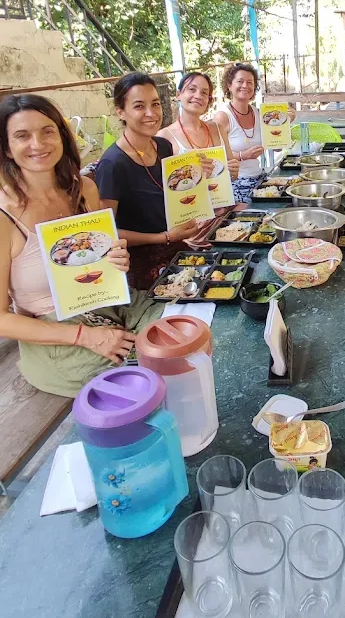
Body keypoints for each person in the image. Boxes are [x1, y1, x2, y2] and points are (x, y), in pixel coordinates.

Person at [0, 93, 164, 397]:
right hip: (57, 334)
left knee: (187, 337)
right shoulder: (4, 216)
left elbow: (99, 256)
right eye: (22, 136)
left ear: (62, 137)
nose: (38, 144)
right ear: (8, 149)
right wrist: (85, 336)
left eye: (47, 131)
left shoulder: (84, 189)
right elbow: (2, 320)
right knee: (144, 388)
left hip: (112, 303)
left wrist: (116, 259)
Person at [95, 72, 210, 290]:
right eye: (139, 106)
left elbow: (171, 194)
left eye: (155, 104)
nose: (151, 113)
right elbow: (107, 233)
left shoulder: (162, 146)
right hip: (139, 263)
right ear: (121, 111)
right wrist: (164, 237)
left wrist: (199, 172)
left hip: (175, 248)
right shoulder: (112, 164)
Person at [158, 70, 239, 180]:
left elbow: (231, 177)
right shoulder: (163, 137)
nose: (198, 96)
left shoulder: (218, 130)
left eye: (204, 93)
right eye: (192, 89)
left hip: (222, 196)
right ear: (178, 94)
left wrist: (234, 172)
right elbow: (163, 185)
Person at [213, 61, 266, 204]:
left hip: (260, 178)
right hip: (236, 184)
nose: (245, 86)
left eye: (250, 82)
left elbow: (278, 147)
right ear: (229, 85)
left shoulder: (259, 113)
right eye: (240, 81)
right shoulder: (223, 117)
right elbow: (216, 158)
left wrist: (284, 124)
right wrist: (243, 155)